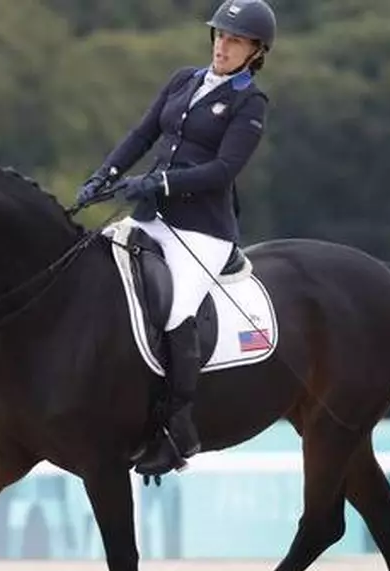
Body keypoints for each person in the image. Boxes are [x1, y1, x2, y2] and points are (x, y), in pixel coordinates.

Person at [76, 0, 276, 476]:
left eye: (234, 40)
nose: (222, 46)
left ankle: (177, 427)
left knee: (176, 309)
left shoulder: (250, 102)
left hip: (202, 231)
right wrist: (103, 175)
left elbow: (224, 169)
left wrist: (160, 182)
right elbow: (142, 134)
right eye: (219, 36)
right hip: (150, 218)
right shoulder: (184, 79)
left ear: (255, 51)